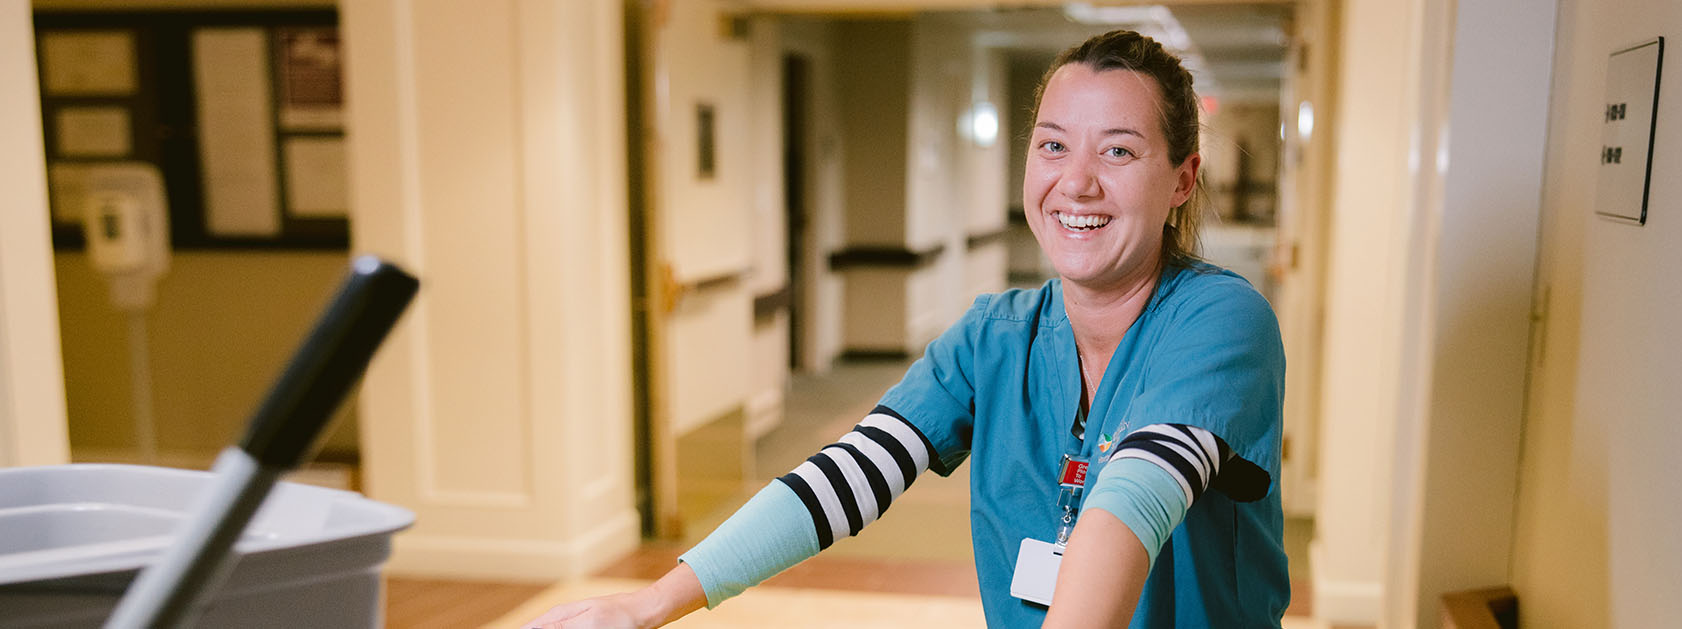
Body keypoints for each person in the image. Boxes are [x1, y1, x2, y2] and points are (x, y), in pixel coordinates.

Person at [523, 29, 1288, 628]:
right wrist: (649, 604)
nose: (1076, 181)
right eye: (1053, 144)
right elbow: (853, 470)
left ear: (1182, 177)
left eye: (1118, 150)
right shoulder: (996, 334)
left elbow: (1133, 497)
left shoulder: (1222, 320)